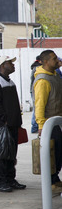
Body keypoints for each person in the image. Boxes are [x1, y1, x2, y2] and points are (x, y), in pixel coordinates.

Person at [0, 56, 26, 192]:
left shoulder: (9, 82)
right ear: (3, 65)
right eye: (10, 63)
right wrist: (3, 121)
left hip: (13, 124)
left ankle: (10, 179)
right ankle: (0, 181)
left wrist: (17, 122)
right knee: (1, 154)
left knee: (11, 154)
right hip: (2, 126)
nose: (13, 65)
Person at [33, 50, 62, 193]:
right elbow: (39, 105)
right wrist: (41, 125)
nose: (57, 61)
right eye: (54, 59)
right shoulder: (43, 80)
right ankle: (51, 182)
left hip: (58, 122)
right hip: (49, 124)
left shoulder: (55, 75)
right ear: (45, 62)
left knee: (58, 153)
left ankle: (55, 179)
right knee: (52, 153)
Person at [30, 56, 42, 133]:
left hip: (34, 90)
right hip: (35, 90)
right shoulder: (37, 69)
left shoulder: (35, 68)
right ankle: (34, 127)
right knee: (37, 108)